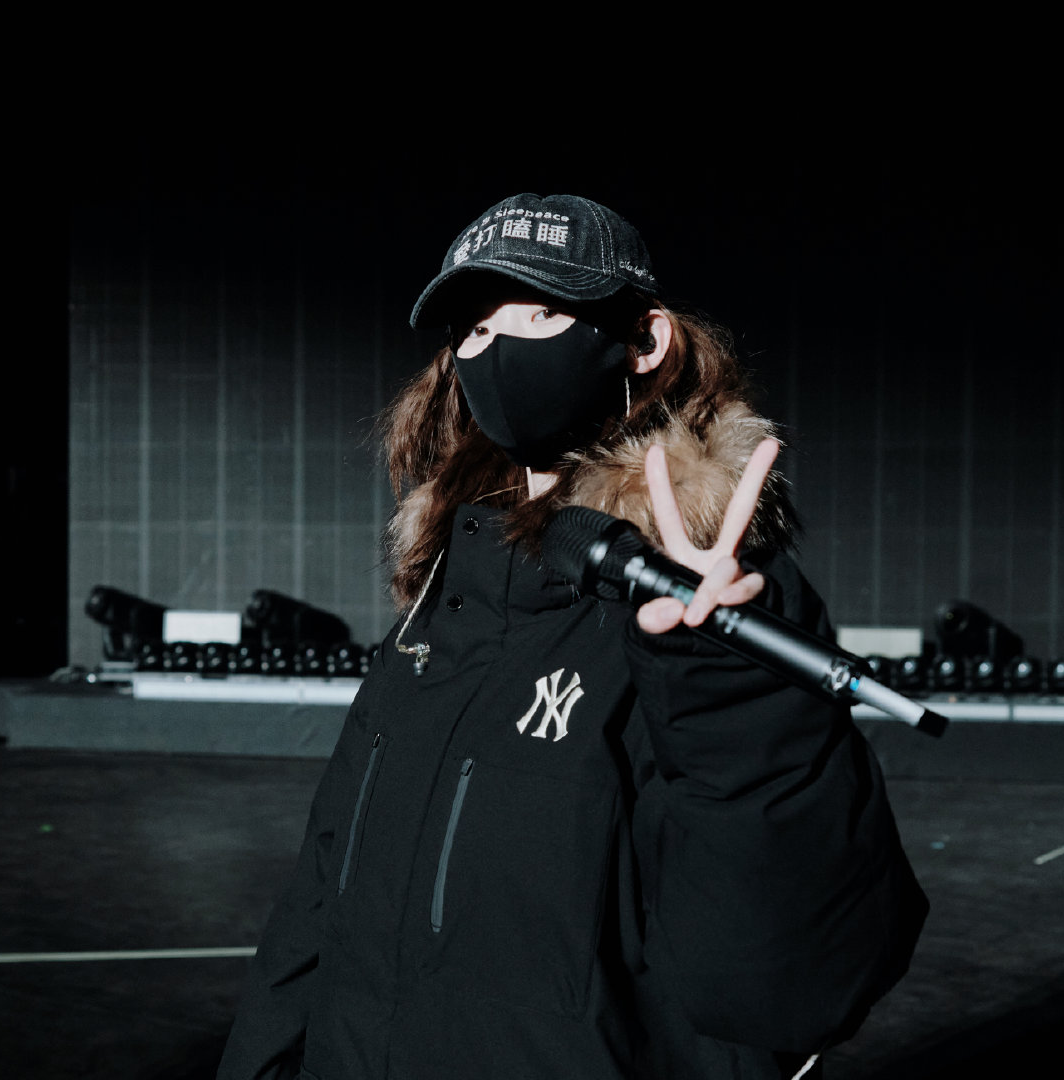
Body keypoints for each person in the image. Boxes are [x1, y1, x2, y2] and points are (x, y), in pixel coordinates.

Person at [218, 193, 927, 1080]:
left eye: (542, 315)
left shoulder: (708, 614)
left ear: (644, 341)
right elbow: (320, 901)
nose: (499, 351)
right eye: (475, 331)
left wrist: (729, 690)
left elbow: (785, 984)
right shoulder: (444, 601)